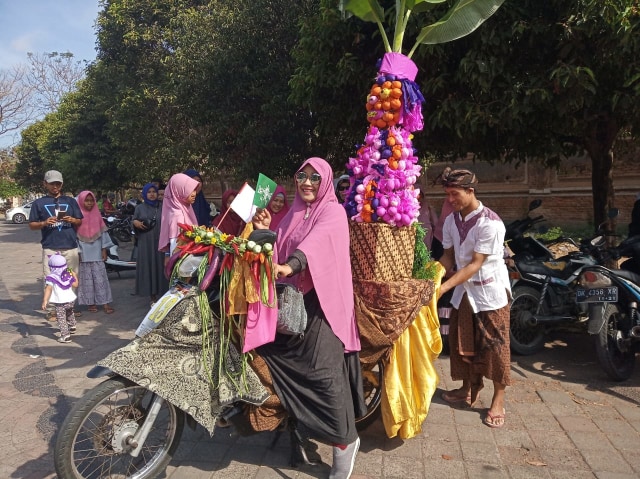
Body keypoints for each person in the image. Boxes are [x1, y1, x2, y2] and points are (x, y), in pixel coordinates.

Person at [252, 157, 365, 479]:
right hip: (291, 303)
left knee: (323, 373)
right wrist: (264, 232)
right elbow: (278, 252)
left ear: (325, 181)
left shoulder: (333, 211)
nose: (307, 183)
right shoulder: (291, 214)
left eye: (315, 178)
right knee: (268, 356)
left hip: (324, 304)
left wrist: (292, 265)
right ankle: (297, 425)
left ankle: (345, 442)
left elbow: (317, 245)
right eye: (302, 176)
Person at [437, 168, 511, 429]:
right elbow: (448, 258)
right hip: (464, 292)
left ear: (470, 191)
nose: (450, 200)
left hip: (490, 293)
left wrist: (442, 288)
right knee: (461, 340)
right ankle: (468, 388)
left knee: (496, 347)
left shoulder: (490, 223)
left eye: (454, 194)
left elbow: (475, 264)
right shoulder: (450, 221)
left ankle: (498, 399)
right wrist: (432, 277)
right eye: (447, 194)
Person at [28, 170, 83, 320]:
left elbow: (80, 220)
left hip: (70, 247)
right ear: (45, 184)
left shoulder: (70, 201)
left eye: (58, 183)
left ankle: (69, 308)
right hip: (50, 248)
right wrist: (44, 223)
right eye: (52, 183)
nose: (55, 186)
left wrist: (72, 220)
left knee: (71, 277)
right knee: (50, 278)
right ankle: (52, 310)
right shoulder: (39, 203)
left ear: (62, 184)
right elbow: (31, 225)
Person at [76, 191, 115, 314]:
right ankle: (91, 303)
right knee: (86, 280)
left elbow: (103, 234)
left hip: (97, 252)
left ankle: (105, 303)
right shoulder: (77, 217)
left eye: (91, 200)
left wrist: (104, 249)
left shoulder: (97, 215)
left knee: (100, 279)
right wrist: (78, 252)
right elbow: (74, 237)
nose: (89, 203)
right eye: (86, 200)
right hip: (84, 253)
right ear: (81, 201)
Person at [133, 183, 168, 304]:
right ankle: (152, 297)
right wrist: (135, 223)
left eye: (154, 191)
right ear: (144, 194)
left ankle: (163, 295)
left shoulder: (163, 206)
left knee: (161, 266)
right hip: (146, 243)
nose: (152, 194)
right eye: (149, 192)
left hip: (161, 242)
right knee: (149, 266)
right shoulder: (139, 208)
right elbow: (133, 222)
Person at [158, 173, 199, 256]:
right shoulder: (177, 215)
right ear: (178, 192)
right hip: (183, 260)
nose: (194, 194)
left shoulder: (186, 208)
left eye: (194, 190)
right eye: (189, 190)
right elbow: (175, 245)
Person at [42, 252, 79, 343]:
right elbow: (76, 285)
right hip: (70, 300)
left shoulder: (51, 277)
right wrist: (74, 275)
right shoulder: (68, 274)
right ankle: (72, 326)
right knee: (70, 312)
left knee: (61, 318)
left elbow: (48, 289)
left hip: (60, 302)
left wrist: (45, 300)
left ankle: (65, 336)